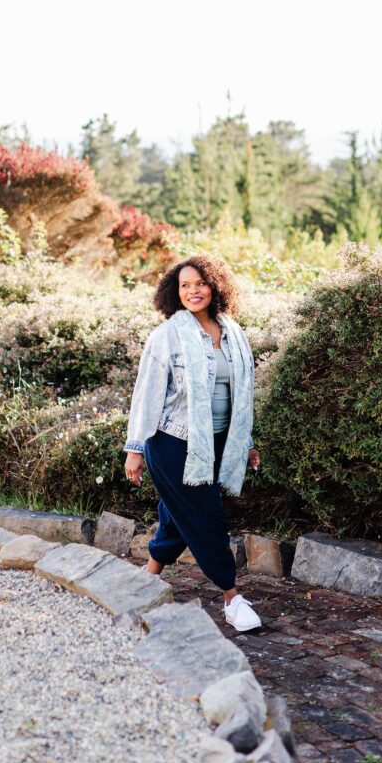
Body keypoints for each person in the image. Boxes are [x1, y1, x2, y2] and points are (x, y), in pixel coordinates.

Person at [123, 255, 262, 631]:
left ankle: (149, 578)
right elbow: (147, 394)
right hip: (172, 444)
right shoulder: (167, 335)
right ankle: (232, 598)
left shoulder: (232, 331)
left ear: (215, 286)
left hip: (216, 443)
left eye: (199, 283)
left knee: (176, 514)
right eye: (185, 285)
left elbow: (241, 395)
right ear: (174, 292)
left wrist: (245, 443)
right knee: (207, 518)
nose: (193, 291)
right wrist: (135, 449)